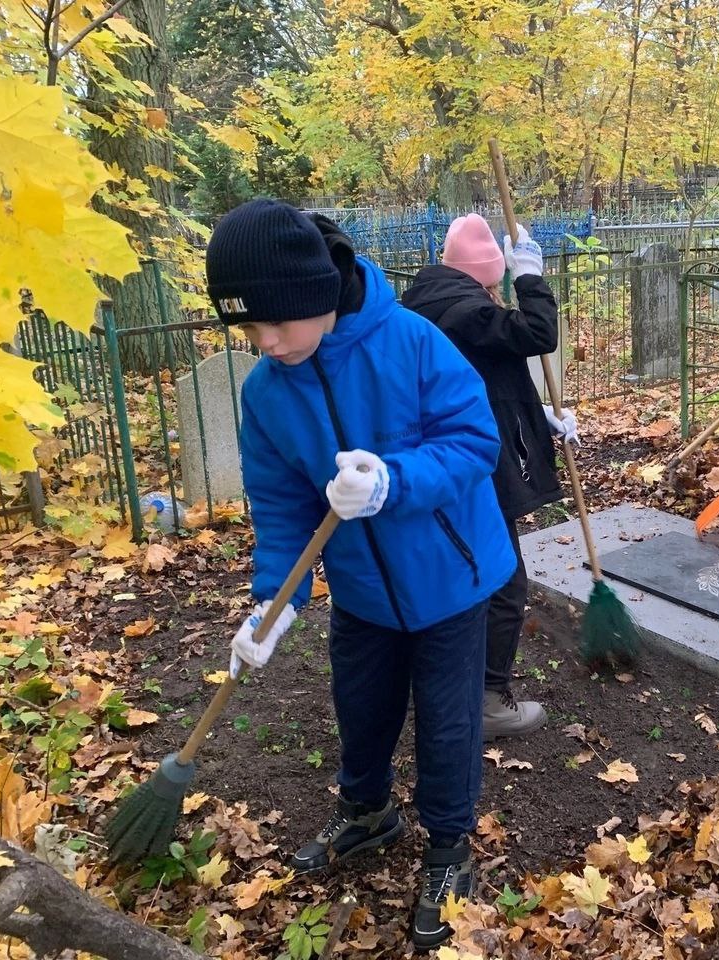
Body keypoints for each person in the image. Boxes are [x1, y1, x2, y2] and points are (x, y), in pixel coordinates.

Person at [206, 199, 515, 951]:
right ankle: (369, 812)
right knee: (362, 705)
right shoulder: (268, 392)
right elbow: (280, 505)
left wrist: (393, 482)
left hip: (451, 580)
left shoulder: (411, 342)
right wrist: (272, 605)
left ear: (317, 295)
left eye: (276, 322)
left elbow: (476, 441)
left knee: (447, 724)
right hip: (362, 590)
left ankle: (448, 848)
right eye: (248, 329)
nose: (265, 343)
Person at [401, 214, 576, 740]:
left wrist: (536, 413)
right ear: (488, 275)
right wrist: (530, 278)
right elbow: (538, 332)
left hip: (444, 458)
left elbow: (488, 375)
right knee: (504, 581)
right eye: (499, 279)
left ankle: (446, 683)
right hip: (475, 466)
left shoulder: (426, 304)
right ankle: (488, 699)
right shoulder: (466, 310)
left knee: (464, 573)